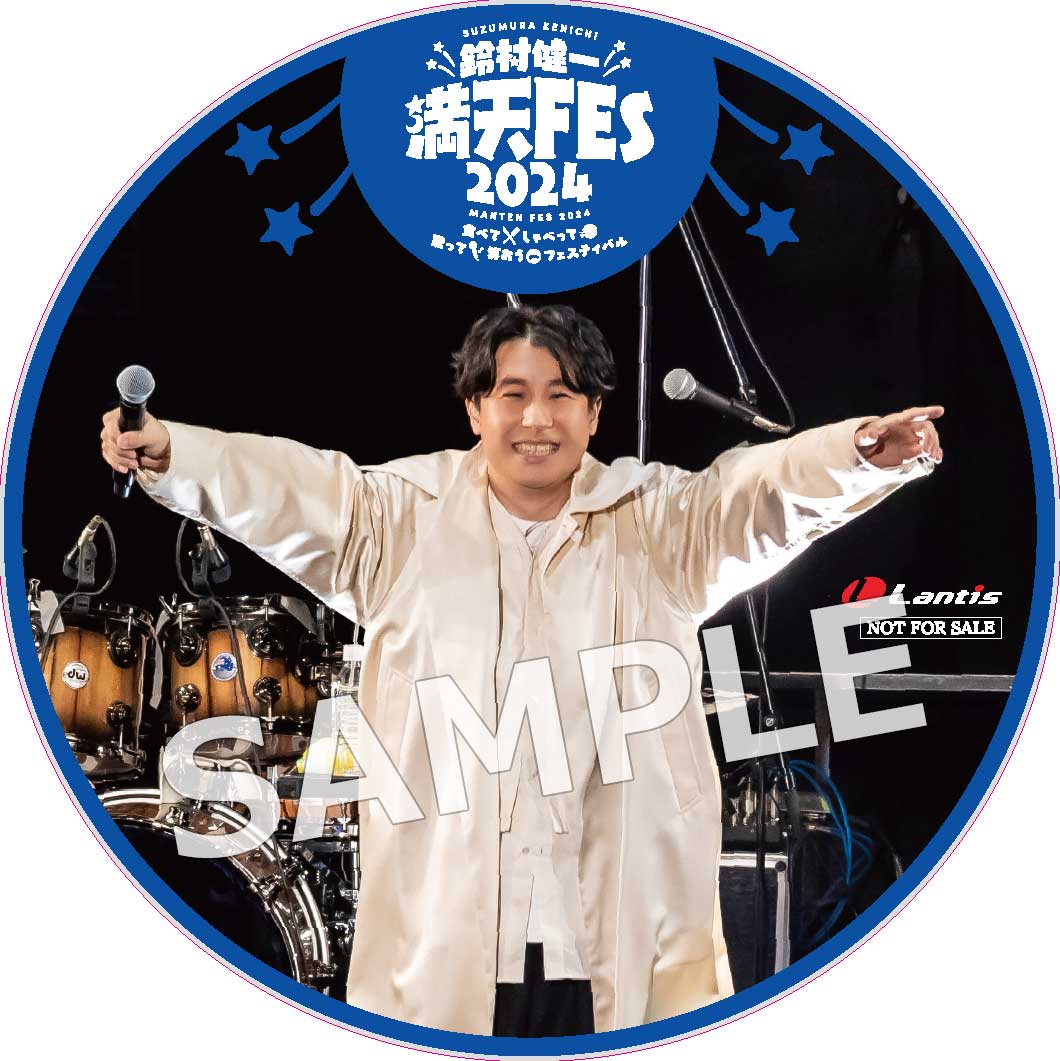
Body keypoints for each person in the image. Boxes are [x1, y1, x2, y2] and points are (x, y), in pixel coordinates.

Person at [100, 304, 942, 1037]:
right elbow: (286, 489)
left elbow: (755, 497)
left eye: (561, 394)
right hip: (455, 935)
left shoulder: (658, 524)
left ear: (595, 413)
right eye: (513, 393)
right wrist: (174, 452)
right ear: (475, 406)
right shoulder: (399, 521)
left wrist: (858, 455)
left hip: (614, 928)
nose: (536, 417)